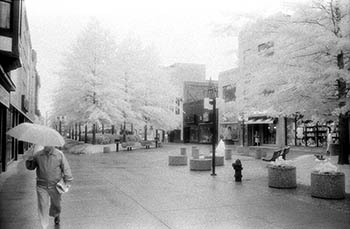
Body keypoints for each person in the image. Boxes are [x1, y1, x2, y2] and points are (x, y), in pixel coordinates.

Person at [25, 146, 73, 228]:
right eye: (46, 144)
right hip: (41, 186)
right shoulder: (38, 155)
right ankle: (44, 226)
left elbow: (66, 168)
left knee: (56, 205)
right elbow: (31, 167)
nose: (48, 146)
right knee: (43, 206)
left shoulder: (59, 154)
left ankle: (56, 214)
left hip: (56, 185)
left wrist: (68, 180)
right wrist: (30, 159)